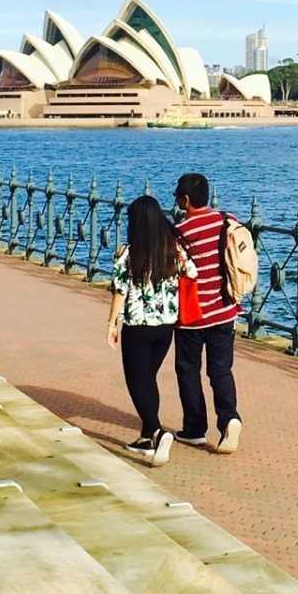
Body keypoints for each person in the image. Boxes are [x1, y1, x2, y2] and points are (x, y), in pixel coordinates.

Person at [107, 196, 195, 466]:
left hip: (137, 326)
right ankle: (146, 438)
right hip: (166, 326)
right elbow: (192, 273)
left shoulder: (129, 253)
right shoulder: (174, 249)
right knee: (149, 377)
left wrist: (111, 324)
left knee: (136, 381)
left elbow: (120, 291)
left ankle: (158, 432)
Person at [171, 171, 242, 454]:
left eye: (177, 196)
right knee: (221, 370)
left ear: (185, 200)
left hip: (192, 316)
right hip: (225, 310)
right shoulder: (227, 221)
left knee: (188, 371)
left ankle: (195, 429)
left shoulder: (181, 232)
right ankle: (229, 418)